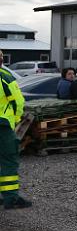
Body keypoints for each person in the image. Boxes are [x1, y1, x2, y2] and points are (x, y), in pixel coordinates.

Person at [0, 49, 32, 209]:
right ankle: (10, 198)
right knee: (8, 160)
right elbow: (18, 102)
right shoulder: (5, 76)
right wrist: (17, 119)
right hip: (3, 125)